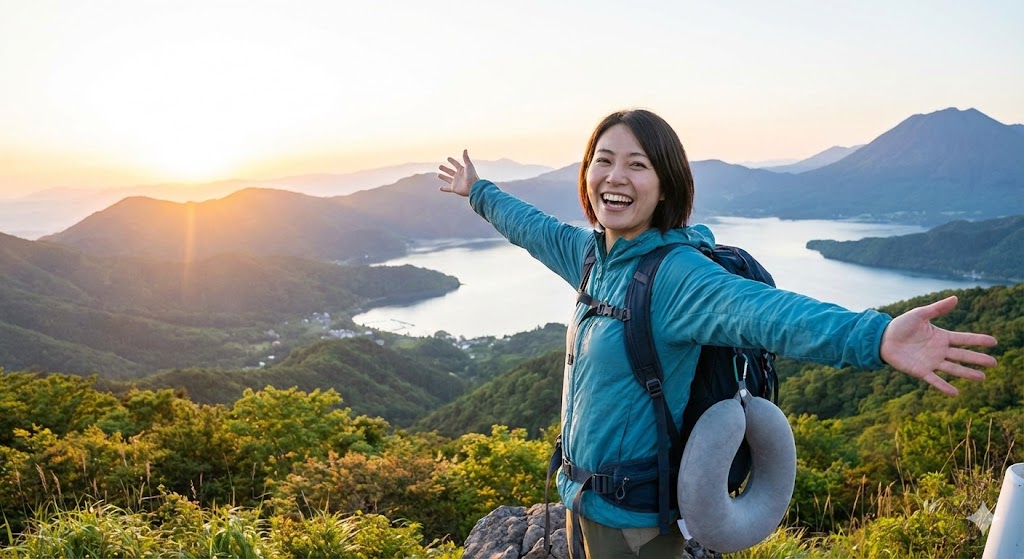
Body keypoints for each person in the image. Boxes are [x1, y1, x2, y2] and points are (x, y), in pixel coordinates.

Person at [436, 109, 998, 558]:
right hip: (582, 502)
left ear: (665, 185)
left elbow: (770, 313)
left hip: (635, 527)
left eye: (637, 165)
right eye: (603, 160)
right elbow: (532, 229)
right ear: (586, 175)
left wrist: (874, 337)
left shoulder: (678, 276)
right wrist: (478, 191)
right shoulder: (594, 256)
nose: (615, 176)